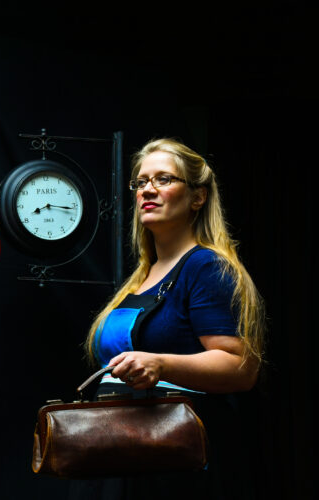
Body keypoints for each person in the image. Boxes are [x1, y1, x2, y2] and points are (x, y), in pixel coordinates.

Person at [77, 138, 266, 498]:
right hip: (120, 456)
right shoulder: (140, 277)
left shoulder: (205, 266)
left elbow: (242, 366)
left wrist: (161, 364)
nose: (149, 188)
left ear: (198, 197)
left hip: (173, 469)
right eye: (141, 182)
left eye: (164, 179)